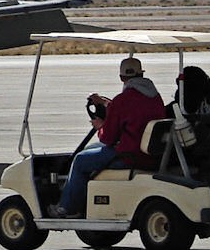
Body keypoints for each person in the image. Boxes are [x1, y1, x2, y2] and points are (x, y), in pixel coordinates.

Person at [49, 56, 165, 218]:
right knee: (91, 149)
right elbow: (130, 112)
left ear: (121, 77)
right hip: (149, 153)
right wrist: (105, 104)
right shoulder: (154, 97)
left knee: (80, 160)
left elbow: (107, 138)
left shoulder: (122, 100)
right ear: (141, 74)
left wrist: (100, 126)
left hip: (129, 155)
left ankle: (67, 207)